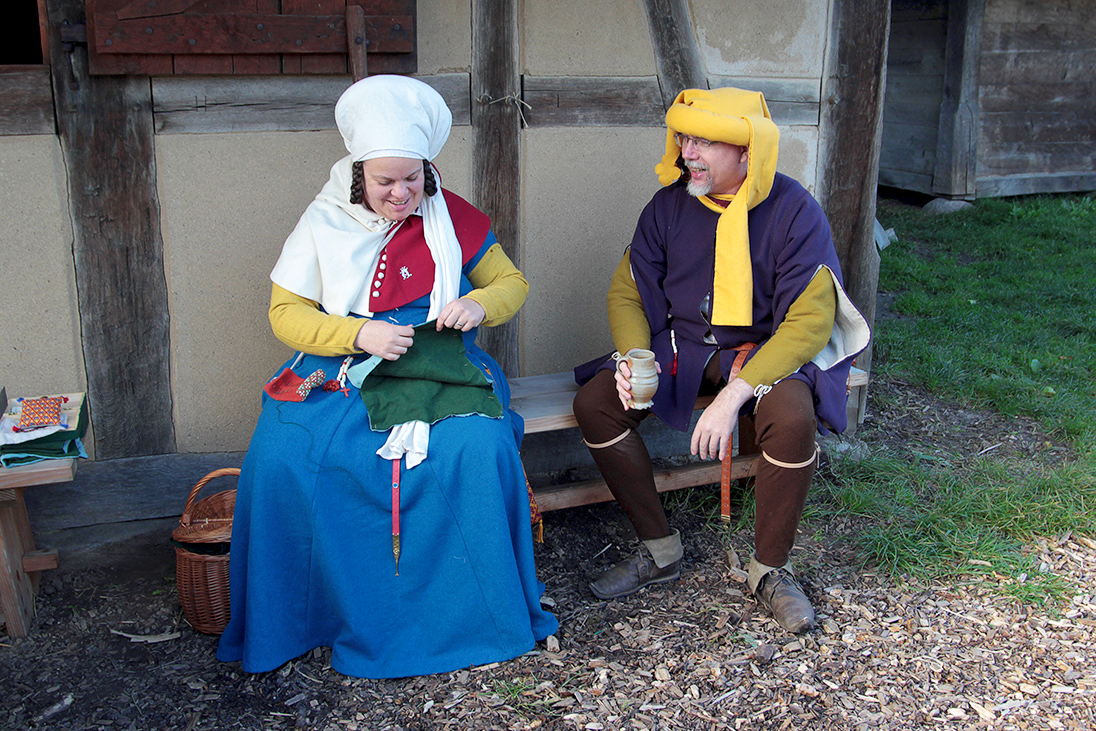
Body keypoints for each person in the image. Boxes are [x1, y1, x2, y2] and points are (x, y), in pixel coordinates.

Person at [217, 75, 557, 678]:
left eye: (412, 179)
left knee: (476, 447)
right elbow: (285, 313)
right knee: (283, 455)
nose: (401, 193)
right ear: (359, 176)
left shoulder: (454, 216)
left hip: (444, 365)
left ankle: (469, 619)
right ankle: (311, 617)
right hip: (342, 363)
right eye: (385, 182)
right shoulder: (323, 220)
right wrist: (357, 333)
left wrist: (478, 304)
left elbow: (511, 283)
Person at [572, 87, 869, 633]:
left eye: (705, 142)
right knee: (597, 404)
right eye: (685, 138)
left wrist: (736, 394)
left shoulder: (795, 210)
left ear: (747, 153)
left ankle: (770, 570)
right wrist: (636, 357)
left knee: (793, 417)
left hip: (764, 353)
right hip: (684, 348)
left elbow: (809, 321)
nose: (687, 152)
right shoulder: (667, 205)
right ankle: (659, 550)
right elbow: (630, 289)